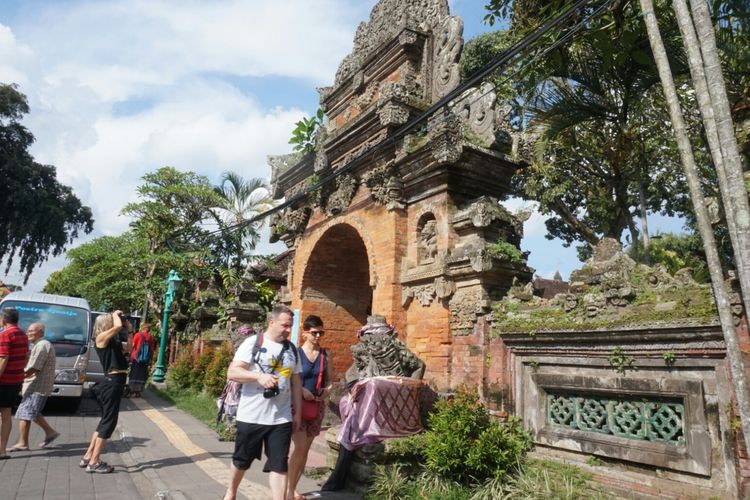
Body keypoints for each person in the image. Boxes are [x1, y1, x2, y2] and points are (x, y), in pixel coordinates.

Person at [223, 305, 302, 500]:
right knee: (242, 460)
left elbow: (297, 381)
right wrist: (258, 376)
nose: (287, 330)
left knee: (279, 464)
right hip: (252, 416)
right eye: (284, 325)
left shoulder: (292, 348)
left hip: (281, 418)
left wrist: (297, 413)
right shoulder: (253, 343)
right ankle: (231, 492)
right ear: (271, 322)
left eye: (290, 326)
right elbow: (233, 372)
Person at [80, 311, 131, 473]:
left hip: (115, 382)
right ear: (105, 324)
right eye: (111, 321)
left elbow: (129, 347)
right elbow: (116, 326)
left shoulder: (113, 341)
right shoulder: (100, 339)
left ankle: (88, 456)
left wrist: (129, 330)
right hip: (112, 383)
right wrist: (114, 314)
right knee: (109, 422)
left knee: (105, 421)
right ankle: (94, 462)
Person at [287, 315, 332, 500]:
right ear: (305, 333)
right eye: (315, 333)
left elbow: (330, 381)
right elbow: (287, 379)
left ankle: (293, 488)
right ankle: (287, 490)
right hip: (296, 405)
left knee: (305, 450)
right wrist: (302, 390)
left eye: (321, 332)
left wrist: (327, 391)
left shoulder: (325, 355)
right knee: (299, 447)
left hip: (316, 407)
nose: (318, 336)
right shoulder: (295, 354)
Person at [8, 323, 59, 452]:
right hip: (34, 386)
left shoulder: (43, 345)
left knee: (25, 413)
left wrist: (16, 378)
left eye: (32, 331)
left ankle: (23, 443)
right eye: (28, 330)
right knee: (30, 412)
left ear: (41, 332)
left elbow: (34, 368)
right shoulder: (38, 345)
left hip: (37, 386)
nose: (28, 333)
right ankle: (49, 432)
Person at [0, 307, 29, 459]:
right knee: (6, 414)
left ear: (3, 320)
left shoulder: (5, 335)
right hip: (16, 380)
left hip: (3, 380)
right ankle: (2, 450)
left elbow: (3, 358)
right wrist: (19, 369)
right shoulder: (23, 335)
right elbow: (26, 356)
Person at [128, 323, 155, 397]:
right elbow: (152, 350)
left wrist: (129, 355)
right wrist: (150, 360)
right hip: (145, 360)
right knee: (142, 375)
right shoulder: (151, 337)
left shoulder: (138, 335)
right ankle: (138, 392)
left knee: (134, 374)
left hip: (136, 358)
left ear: (143, 328)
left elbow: (133, 346)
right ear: (149, 329)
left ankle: (132, 391)